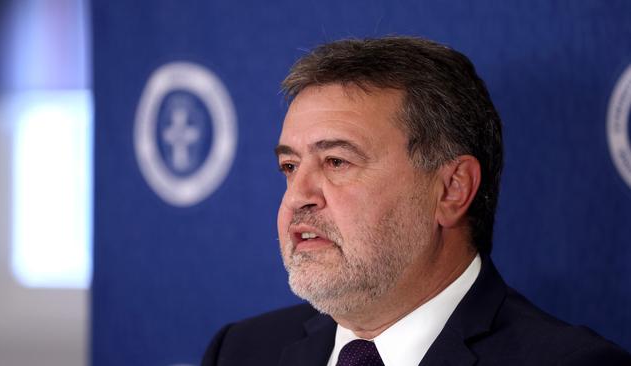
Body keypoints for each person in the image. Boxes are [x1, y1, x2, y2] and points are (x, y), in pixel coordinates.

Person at [201, 36, 631, 366]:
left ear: (452, 189)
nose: (298, 198)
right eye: (290, 167)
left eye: (336, 161)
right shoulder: (241, 351)